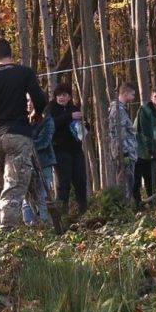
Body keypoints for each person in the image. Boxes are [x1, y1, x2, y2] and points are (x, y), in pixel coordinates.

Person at [0, 39, 47, 231]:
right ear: (11, 54)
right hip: (18, 134)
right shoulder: (24, 73)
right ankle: (7, 231)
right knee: (13, 186)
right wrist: (36, 113)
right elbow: (40, 100)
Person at [46, 83, 88, 214]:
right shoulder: (50, 109)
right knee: (64, 182)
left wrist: (85, 124)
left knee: (80, 180)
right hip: (60, 149)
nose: (61, 98)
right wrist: (69, 117)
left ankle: (83, 211)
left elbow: (86, 126)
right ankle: (62, 213)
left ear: (69, 97)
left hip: (76, 149)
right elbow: (50, 125)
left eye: (64, 95)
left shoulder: (74, 108)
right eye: (58, 95)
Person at [21, 96, 56, 226]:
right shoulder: (23, 120)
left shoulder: (47, 120)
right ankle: (30, 226)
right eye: (27, 101)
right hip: (25, 163)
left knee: (42, 195)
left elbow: (44, 141)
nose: (29, 104)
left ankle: (45, 224)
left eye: (32, 100)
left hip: (43, 162)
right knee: (26, 197)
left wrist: (24, 144)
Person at [133, 86, 156, 203]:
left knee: (149, 177)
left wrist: (155, 148)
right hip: (138, 148)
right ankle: (138, 204)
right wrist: (151, 149)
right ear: (151, 97)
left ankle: (151, 202)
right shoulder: (144, 110)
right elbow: (145, 132)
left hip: (150, 148)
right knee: (136, 179)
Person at [108, 82, 138, 202]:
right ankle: (123, 209)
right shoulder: (118, 110)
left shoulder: (121, 109)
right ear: (125, 94)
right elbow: (119, 134)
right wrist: (124, 153)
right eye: (132, 94)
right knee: (125, 183)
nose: (134, 98)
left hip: (127, 152)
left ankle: (125, 207)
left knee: (128, 181)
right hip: (124, 153)